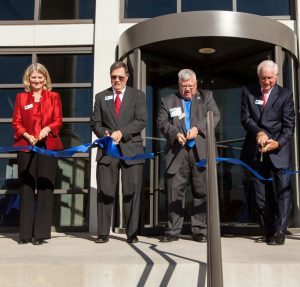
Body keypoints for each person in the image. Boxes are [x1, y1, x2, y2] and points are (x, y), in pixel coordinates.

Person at [157, 69, 220, 242]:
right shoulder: (168, 100)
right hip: (177, 152)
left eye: (191, 86)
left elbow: (215, 116)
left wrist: (198, 128)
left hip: (200, 153)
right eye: (184, 86)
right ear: (179, 85)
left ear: (196, 85)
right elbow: (161, 122)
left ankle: (199, 230)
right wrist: (175, 134)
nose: (187, 90)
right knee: (174, 192)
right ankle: (173, 230)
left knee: (201, 192)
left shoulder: (206, 97)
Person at [91, 61, 147, 244]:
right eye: (114, 77)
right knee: (105, 191)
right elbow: (95, 123)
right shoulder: (101, 97)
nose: (117, 80)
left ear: (127, 77)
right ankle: (102, 233)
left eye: (120, 77)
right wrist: (104, 134)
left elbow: (141, 120)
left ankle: (132, 233)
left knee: (131, 192)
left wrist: (122, 132)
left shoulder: (137, 96)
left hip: (131, 149)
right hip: (108, 150)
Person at [240, 60, 295, 245]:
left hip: (278, 151)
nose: (266, 82)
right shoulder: (248, 91)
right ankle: (269, 230)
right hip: (256, 151)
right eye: (263, 78)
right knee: (261, 195)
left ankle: (280, 231)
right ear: (258, 77)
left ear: (276, 76)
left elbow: (289, 127)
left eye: (270, 78)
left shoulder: (286, 95)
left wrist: (277, 143)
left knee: (283, 193)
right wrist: (259, 132)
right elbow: (245, 118)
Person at [12, 63, 63, 245]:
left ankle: (40, 234)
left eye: (40, 77)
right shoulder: (21, 98)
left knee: (45, 187)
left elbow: (58, 121)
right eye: (33, 77)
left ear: (45, 79)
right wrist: (27, 135)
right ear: (28, 79)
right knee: (26, 187)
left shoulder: (54, 97)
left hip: (47, 147)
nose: (37, 80)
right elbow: (16, 122)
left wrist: (47, 129)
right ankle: (25, 234)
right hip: (26, 147)